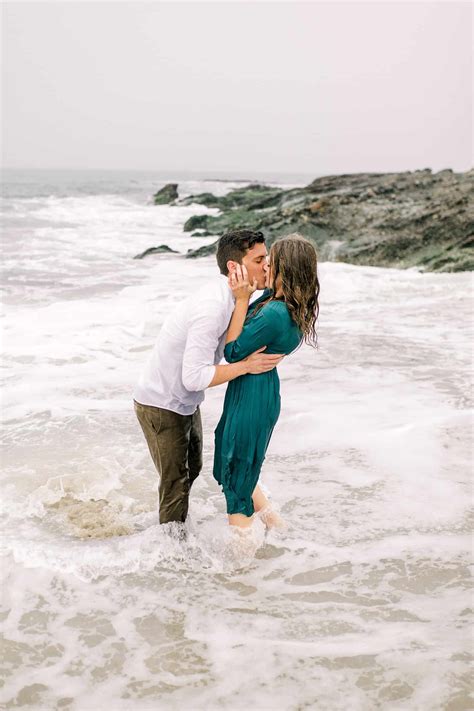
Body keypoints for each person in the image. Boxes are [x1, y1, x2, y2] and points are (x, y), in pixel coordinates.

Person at [133, 229, 284, 527]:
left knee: (193, 469)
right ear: (234, 267)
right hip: (161, 402)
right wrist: (247, 367)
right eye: (259, 259)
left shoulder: (236, 297)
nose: (266, 266)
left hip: (184, 401)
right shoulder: (213, 306)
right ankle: (170, 556)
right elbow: (193, 377)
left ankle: (176, 537)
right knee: (176, 483)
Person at [213, 234, 320, 530]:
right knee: (234, 469)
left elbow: (233, 351)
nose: (266, 266)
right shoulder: (286, 304)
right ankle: (279, 529)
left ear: (285, 268)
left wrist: (242, 298)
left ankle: (241, 571)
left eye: (271, 261)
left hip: (252, 393)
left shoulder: (274, 312)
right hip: (260, 389)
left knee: (236, 483)